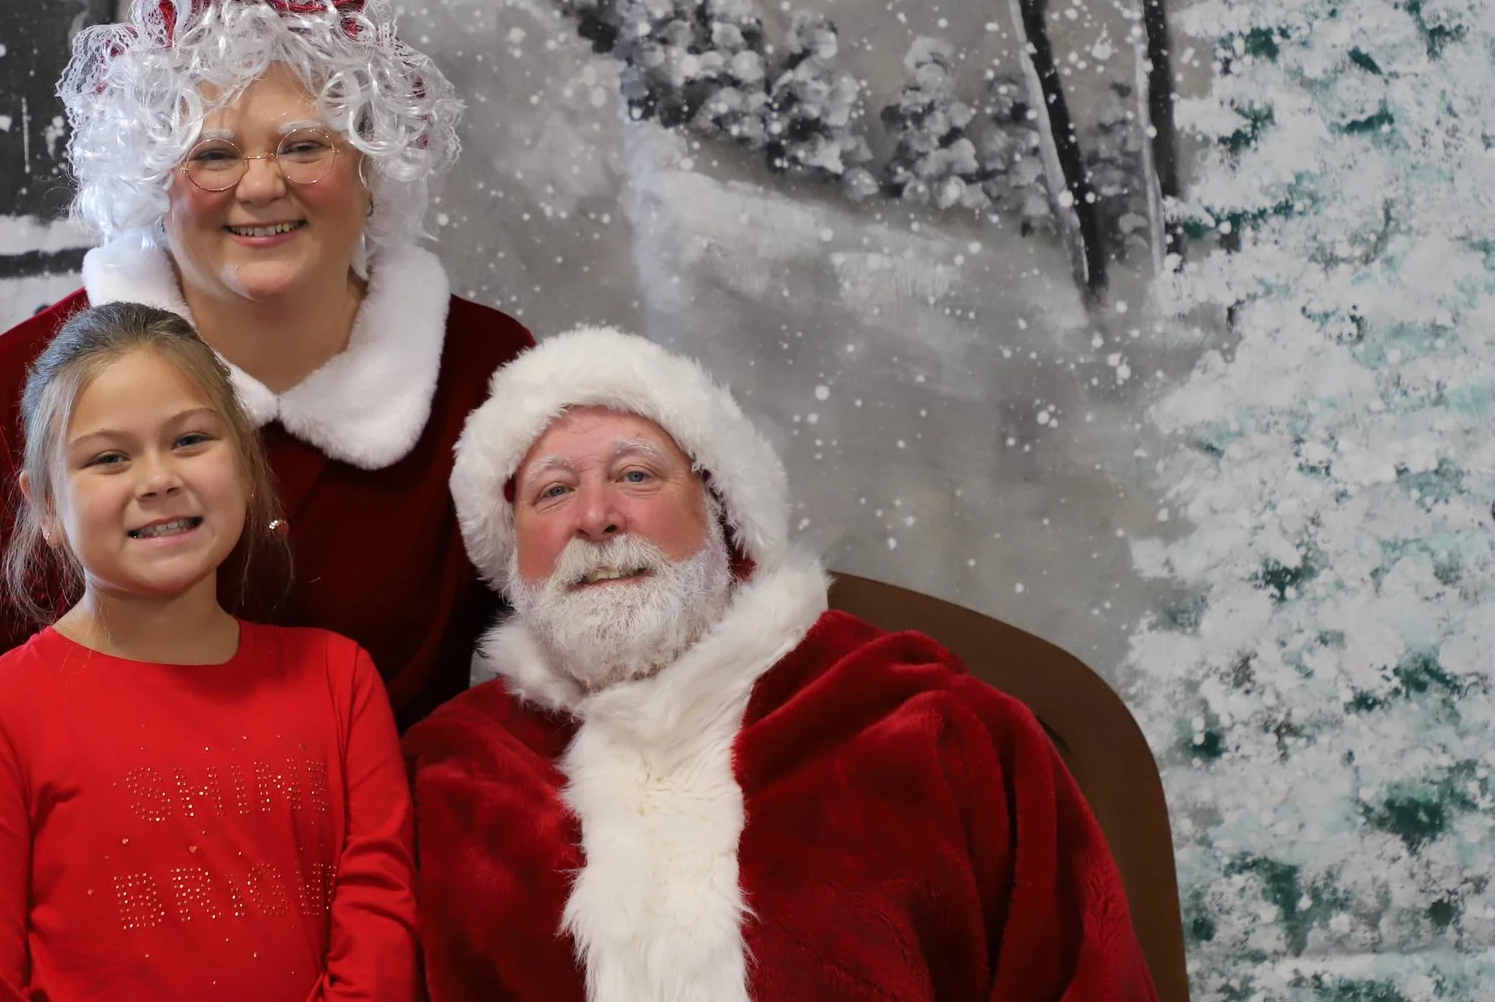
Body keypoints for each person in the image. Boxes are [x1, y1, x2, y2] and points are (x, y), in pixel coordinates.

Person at [0, 0, 533, 996]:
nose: (261, 184)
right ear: (152, 179)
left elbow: (575, 656)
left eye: (305, 144)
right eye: (213, 152)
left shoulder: (486, 374)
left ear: (374, 165)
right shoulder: (25, 384)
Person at [405, 327, 1159, 1002]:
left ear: (724, 517)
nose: (595, 516)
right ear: (513, 552)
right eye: (553, 491)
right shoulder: (443, 777)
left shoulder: (928, 726)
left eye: (636, 475)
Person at [0, 302, 416, 1002]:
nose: (158, 480)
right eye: (109, 457)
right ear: (46, 505)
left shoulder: (339, 681)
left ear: (244, 460)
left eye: (190, 440)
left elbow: (379, 941)